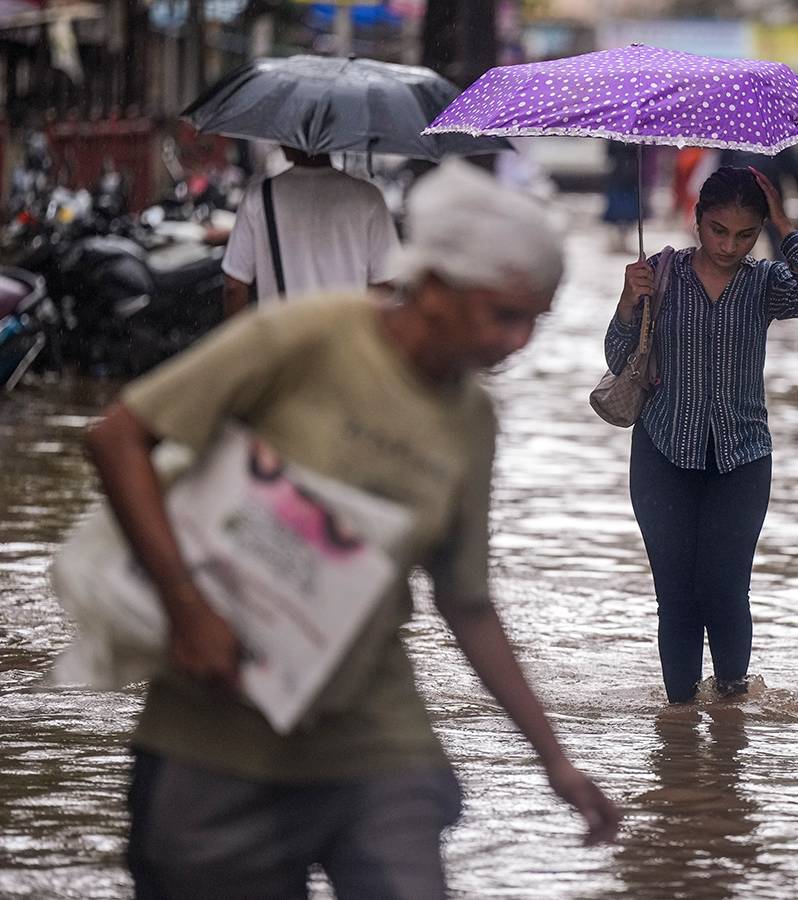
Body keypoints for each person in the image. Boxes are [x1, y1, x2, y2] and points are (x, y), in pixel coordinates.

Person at [84, 159, 621, 900]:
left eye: (536, 319)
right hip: (217, 719)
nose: (519, 341)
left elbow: (466, 601)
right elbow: (118, 439)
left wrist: (556, 760)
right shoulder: (304, 337)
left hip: (372, 732)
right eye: (504, 315)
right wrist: (187, 609)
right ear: (433, 287)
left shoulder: (471, 418)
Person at [604, 166, 798, 704]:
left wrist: (785, 223)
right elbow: (620, 362)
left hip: (742, 456)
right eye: (717, 230)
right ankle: (679, 723)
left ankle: (733, 708)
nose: (729, 245)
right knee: (677, 597)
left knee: (726, 590)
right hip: (662, 451)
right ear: (697, 221)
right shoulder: (659, 274)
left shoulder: (765, 283)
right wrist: (626, 302)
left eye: (745, 234)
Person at [220, 145, 400, 317]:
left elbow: (234, 289)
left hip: (282, 342)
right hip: (347, 339)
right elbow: (385, 286)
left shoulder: (258, 197)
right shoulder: (368, 197)